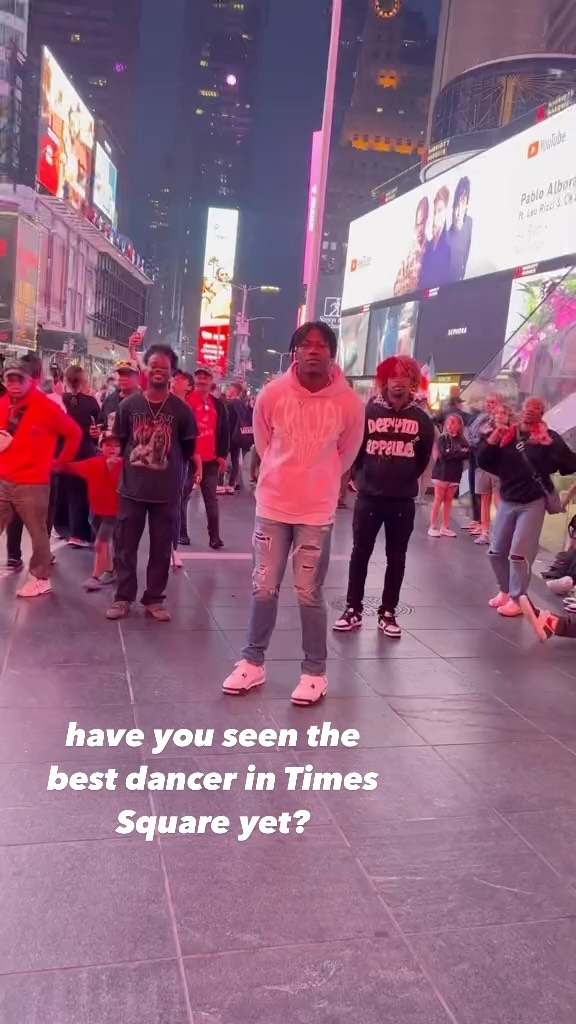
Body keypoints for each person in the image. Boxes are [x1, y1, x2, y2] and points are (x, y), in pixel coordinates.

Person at [222, 321, 365, 705]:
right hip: (272, 506)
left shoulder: (348, 402)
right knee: (264, 587)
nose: (314, 351)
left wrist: (320, 478)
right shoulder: (272, 394)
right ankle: (252, 663)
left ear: (331, 354)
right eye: (306, 345)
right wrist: (283, 475)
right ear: (295, 353)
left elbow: (348, 452)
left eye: (322, 346)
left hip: (316, 512)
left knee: (308, 592)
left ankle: (314, 672)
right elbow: (264, 442)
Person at [334, 355, 435, 637]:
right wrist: (359, 478)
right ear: (384, 380)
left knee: (397, 557)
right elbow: (355, 447)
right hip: (369, 497)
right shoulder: (369, 413)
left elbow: (423, 457)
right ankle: (352, 608)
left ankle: (388, 612)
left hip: (402, 500)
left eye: (404, 376)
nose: (398, 381)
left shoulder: (422, 419)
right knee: (360, 553)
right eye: (393, 376)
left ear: (412, 381)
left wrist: (403, 479)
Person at [106, 344, 199, 622]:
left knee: (161, 548)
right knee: (124, 546)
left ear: (172, 373)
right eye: (154, 366)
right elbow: (120, 441)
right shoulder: (128, 406)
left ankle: (154, 599)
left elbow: (188, 447)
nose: (159, 371)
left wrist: (188, 479)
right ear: (145, 369)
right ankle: (123, 597)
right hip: (131, 490)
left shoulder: (181, 410)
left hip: (166, 493)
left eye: (165, 367)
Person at [477, 396, 576, 618]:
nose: (531, 412)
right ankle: (505, 590)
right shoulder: (509, 434)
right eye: (528, 408)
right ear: (521, 410)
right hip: (508, 498)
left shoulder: (549, 438)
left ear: (542, 412)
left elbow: (569, 464)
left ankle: (517, 597)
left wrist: (551, 449)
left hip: (532, 502)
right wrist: (494, 437)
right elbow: (483, 459)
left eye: (536, 409)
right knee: (495, 551)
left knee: (520, 554)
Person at [0, 358, 81, 597]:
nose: (14, 384)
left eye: (19, 379)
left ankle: (40, 577)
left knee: (37, 531)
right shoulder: (3, 404)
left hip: (33, 482)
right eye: (9, 379)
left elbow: (74, 433)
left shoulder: (45, 407)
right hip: (4, 478)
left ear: (31, 380)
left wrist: (60, 462)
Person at [6, 354, 64, 571]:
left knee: (15, 509)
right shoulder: (52, 401)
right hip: (42, 469)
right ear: (39, 375)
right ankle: (42, 557)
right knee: (42, 515)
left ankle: (13, 556)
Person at [58, 432, 122, 591]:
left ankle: (96, 576)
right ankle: (110, 570)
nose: (112, 448)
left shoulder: (125, 466)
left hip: (113, 513)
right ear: (101, 447)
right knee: (104, 543)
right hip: (96, 513)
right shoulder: (93, 463)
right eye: (108, 445)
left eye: (116, 445)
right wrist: (51, 462)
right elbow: (69, 467)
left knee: (101, 543)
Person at [185, 366, 229, 549]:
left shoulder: (217, 405)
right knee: (182, 497)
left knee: (211, 499)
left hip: (210, 461)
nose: (202, 380)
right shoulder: (186, 402)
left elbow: (224, 431)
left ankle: (214, 537)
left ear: (211, 381)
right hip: (188, 460)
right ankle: (181, 533)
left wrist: (222, 455)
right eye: (199, 376)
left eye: (206, 377)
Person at [61, 365, 102, 547]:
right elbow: (99, 427)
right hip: (85, 453)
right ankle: (80, 534)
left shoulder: (61, 401)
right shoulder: (91, 402)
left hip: (63, 454)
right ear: (84, 381)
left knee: (65, 494)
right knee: (82, 495)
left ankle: (64, 529)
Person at [428, 413, 469, 538]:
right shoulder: (442, 438)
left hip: (454, 474)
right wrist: (458, 452)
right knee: (438, 499)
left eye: (453, 423)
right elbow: (443, 456)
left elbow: (467, 453)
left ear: (459, 425)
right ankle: (432, 526)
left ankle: (445, 526)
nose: (450, 425)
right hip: (441, 473)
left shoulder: (462, 440)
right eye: (449, 422)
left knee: (448, 500)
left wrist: (453, 453)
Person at [393, 196, 429, 297]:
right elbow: (396, 291)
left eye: (422, 223)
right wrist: (408, 283)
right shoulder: (408, 258)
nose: (419, 229)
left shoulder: (431, 250)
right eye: (417, 225)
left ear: (426, 221)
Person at [419, 186, 452, 290]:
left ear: (446, 212)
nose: (435, 217)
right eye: (434, 212)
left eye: (440, 211)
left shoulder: (448, 247)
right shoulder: (427, 246)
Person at [226, 382, 253, 492]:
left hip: (229, 435)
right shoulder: (242, 404)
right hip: (238, 436)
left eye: (229, 388)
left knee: (223, 458)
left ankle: (219, 483)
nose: (227, 390)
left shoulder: (230, 404)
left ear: (234, 391)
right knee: (235, 460)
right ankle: (232, 484)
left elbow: (227, 421)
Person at [101, 360, 141, 430]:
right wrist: (97, 432)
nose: (123, 378)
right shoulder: (110, 400)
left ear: (137, 377)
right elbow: (101, 423)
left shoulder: (145, 400)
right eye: (121, 374)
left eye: (128, 375)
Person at [448, 176, 473, 281]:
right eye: (457, 203)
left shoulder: (469, 223)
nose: (458, 209)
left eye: (463, 200)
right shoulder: (447, 233)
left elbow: (467, 253)